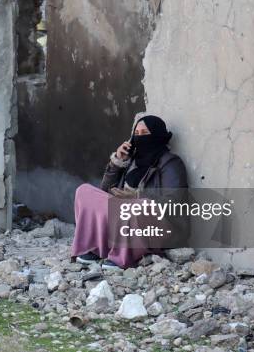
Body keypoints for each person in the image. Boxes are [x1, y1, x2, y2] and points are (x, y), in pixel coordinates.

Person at [71, 115, 188, 270]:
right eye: (136, 134)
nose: (139, 138)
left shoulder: (170, 163)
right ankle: (97, 247)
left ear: (157, 136)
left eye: (144, 133)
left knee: (138, 205)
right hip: (126, 219)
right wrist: (117, 162)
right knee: (84, 191)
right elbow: (105, 191)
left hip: (162, 227)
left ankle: (123, 256)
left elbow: (175, 202)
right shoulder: (131, 161)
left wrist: (138, 196)